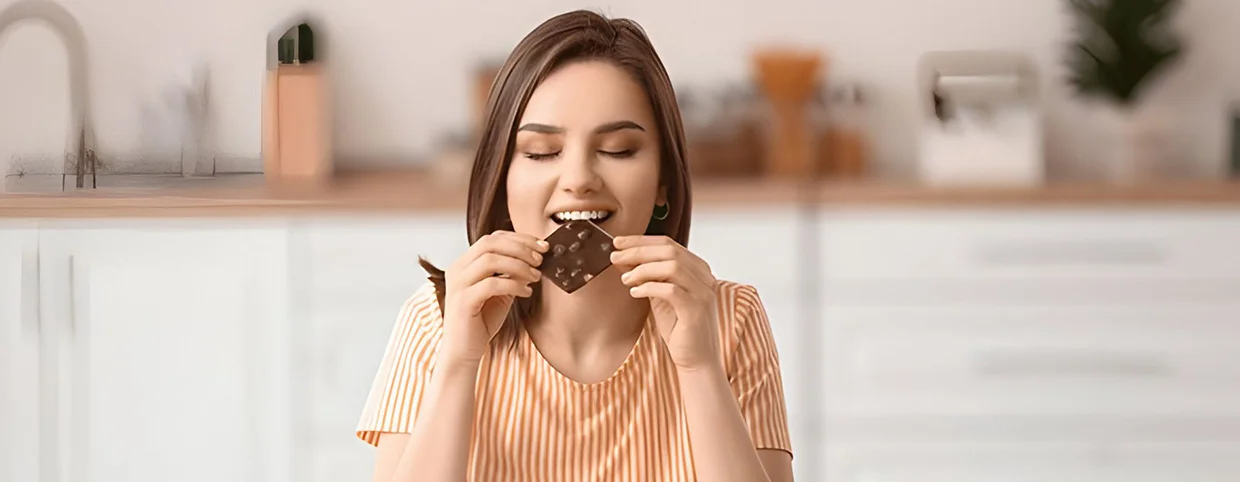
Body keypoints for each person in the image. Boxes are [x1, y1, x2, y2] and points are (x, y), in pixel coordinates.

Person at [355, 9, 794, 482]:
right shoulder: (436, 321)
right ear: (502, 177)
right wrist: (460, 360)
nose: (579, 179)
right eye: (542, 153)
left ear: (665, 180)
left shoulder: (731, 318)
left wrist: (699, 365)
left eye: (619, 150)